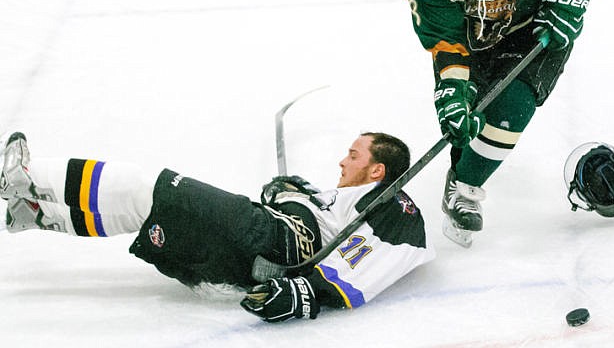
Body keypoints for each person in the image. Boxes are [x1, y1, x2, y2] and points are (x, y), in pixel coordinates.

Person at [0, 130, 434, 322]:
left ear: (378, 171)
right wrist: (290, 194)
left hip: (270, 242)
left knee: (149, 187)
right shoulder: (344, 201)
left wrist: (306, 293)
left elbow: (366, 270)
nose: (342, 161)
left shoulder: (397, 209)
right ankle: (40, 214)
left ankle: (27, 177)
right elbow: (322, 222)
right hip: (262, 241)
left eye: (354, 156)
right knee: (146, 213)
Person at [404, 0, 614, 246]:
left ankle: (464, 185)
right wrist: (453, 89)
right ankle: (463, 159)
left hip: (535, 30)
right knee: (466, 117)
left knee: (511, 109)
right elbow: (446, 41)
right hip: (472, 46)